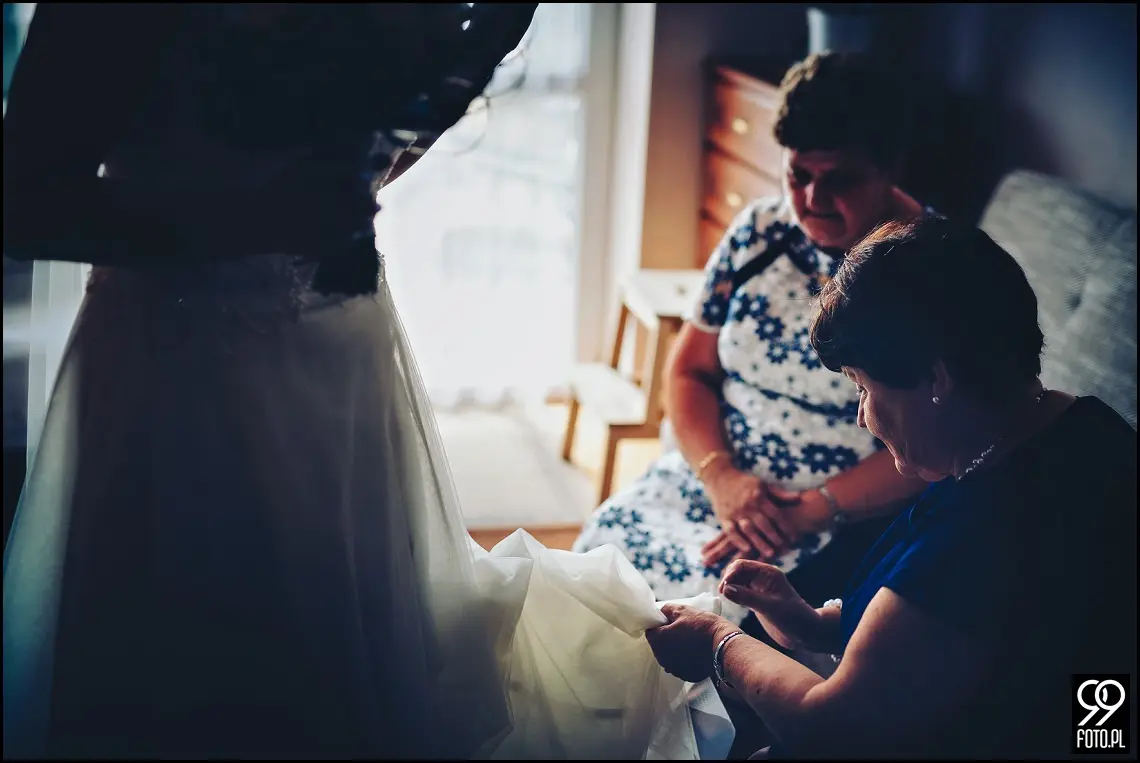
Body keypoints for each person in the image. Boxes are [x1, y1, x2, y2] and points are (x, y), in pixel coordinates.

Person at [3, 5, 546, 759]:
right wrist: (252, 222)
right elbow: (23, 206)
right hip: (180, 365)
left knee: (339, 648)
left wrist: (476, 49)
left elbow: (366, 159)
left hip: (343, 348)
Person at [643, 215, 1138, 758]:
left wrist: (718, 642)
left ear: (936, 379)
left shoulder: (989, 531)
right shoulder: (1074, 429)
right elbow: (939, 630)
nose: (862, 417)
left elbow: (830, 726)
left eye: (862, 387)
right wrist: (810, 624)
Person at [573, 51, 930, 627]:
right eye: (798, 175)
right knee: (596, 563)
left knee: (703, 616)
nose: (812, 200)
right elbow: (689, 370)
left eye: (839, 180)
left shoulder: (928, 265)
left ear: (889, 169)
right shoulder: (760, 232)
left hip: (833, 515)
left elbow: (940, 437)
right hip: (717, 482)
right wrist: (720, 477)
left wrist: (809, 510)